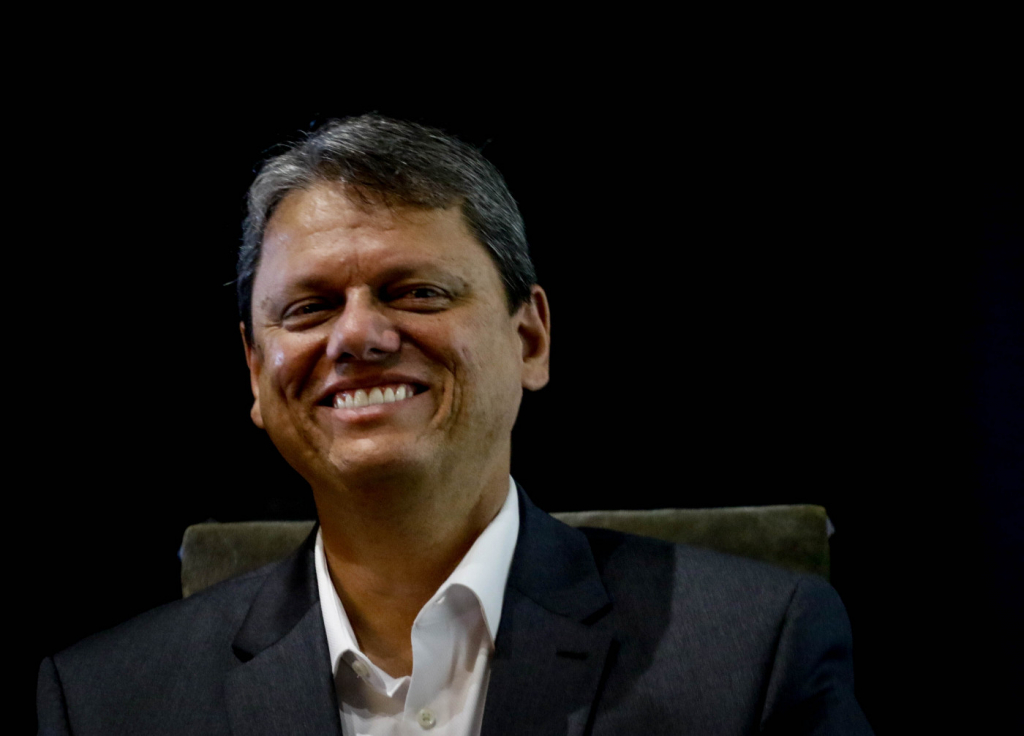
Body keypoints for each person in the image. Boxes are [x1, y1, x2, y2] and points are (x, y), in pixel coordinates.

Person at [37, 114, 874, 735]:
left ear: (530, 338)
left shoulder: (755, 654)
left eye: (417, 292)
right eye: (309, 307)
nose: (358, 336)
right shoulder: (106, 703)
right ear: (256, 373)